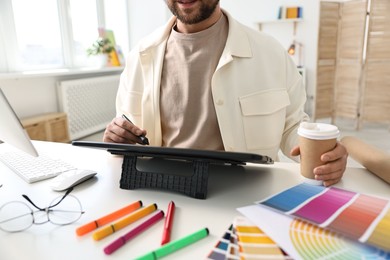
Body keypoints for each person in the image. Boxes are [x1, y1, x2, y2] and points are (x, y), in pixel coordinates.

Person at [103, 0, 348, 186]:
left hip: (248, 193)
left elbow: (292, 126)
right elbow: (127, 129)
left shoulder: (270, 52)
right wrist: (118, 139)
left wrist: (325, 155)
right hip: (165, 190)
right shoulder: (140, 56)